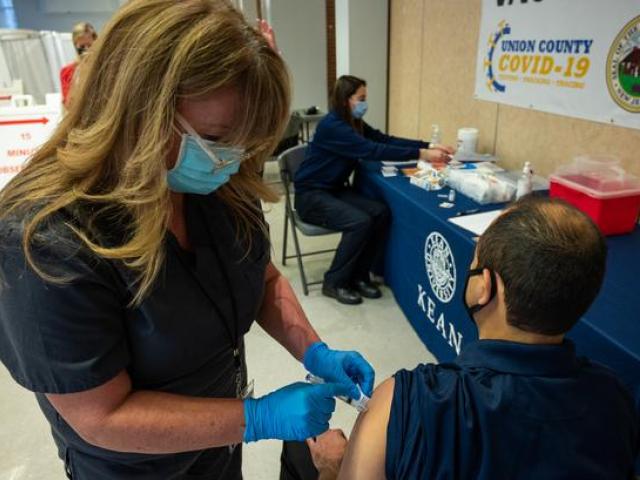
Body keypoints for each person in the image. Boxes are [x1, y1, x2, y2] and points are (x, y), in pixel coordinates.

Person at [0, 1, 375, 478]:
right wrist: (256, 418)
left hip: (218, 438)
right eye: (217, 138)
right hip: (134, 464)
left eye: (245, 144)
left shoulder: (218, 182)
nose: (233, 161)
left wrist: (314, 351)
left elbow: (258, 273)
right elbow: (101, 415)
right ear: (137, 110)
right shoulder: (44, 239)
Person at [287, 197, 640, 479]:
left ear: (484, 287)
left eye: (473, 262)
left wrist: (332, 470)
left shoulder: (406, 401)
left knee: (300, 449)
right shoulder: (616, 400)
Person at [294, 75, 454, 305]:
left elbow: (383, 139)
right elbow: (371, 150)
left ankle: (359, 275)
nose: (364, 103)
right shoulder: (333, 126)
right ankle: (335, 282)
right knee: (359, 221)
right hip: (311, 196)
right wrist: (422, 155)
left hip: (334, 189)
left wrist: (428, 145)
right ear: (345, 99)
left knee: (380, 213)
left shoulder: (352, 123)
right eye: (361, 98)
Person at [59, 22, 97, 106]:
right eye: (82, 46)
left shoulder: (103, 68)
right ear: (75, 45)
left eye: (89, 45)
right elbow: (67, 103)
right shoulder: (66, 72)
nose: (86, 49)